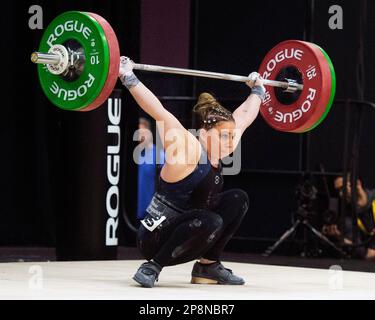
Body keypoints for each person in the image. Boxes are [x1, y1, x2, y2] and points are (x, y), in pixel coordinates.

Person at [119, 56, 264, 288]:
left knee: (238, 199)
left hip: (194, 229)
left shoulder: (223, 145)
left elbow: (245, 116)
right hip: (154, 238)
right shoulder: (188, 149)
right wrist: (127, 76)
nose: (230, 142)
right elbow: (159, 111)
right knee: (210, 219)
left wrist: (258, 91)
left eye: (232, 136)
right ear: (205, 135)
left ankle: (207, 266)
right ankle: (152, 267)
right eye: (224, 136)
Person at [323, 175, 375, 260]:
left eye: (342, 188)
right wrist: (340, 237)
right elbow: (365, 254)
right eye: (338, 191)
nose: (340, 194)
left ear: (357, 184)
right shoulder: (347, 218)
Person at [136, 117, 165, 220]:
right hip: (131, 211)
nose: (141, 137)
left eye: (143, 133)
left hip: (150, 213)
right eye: (138, 133)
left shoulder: (159, 155)